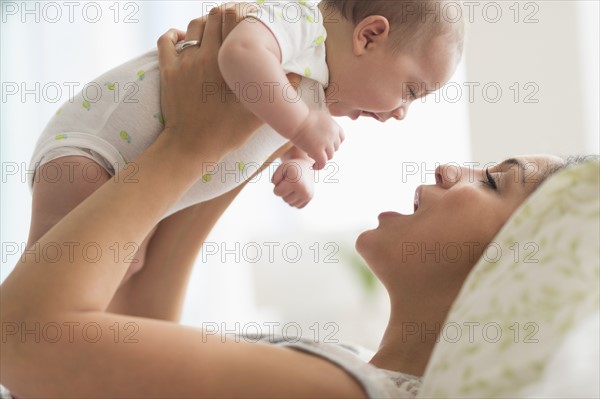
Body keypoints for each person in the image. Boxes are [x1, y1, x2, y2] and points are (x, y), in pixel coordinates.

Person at [0, 6, 583, 399]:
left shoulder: (347, 389)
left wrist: (187, 147)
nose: (450, 168)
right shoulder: (351, 364)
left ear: (530, 258)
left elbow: (25, 345)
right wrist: (229, 135)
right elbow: (120, 344)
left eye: (492, 183)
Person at [25, 0, 463, 283]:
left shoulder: (318, 92)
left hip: (137, 180)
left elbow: (291, 134)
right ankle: (36, 356)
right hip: (93, 150)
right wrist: (302, 124)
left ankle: (55, 362)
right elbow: (241, 56)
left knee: (121, 267)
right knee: (53, 268)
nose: (404, 111)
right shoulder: (299, 24)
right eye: (411, 89)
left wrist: (300, 166)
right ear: (369, 35)